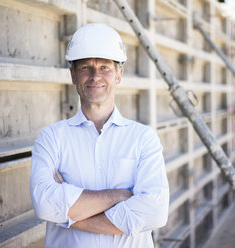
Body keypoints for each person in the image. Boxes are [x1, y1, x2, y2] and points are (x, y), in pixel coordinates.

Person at [30, 23, 169, 248]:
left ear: (118, 75)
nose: (95, 76)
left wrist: (69, 217)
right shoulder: (51, 138)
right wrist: (119, 196)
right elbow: (45, 206)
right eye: (85, 67)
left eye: (105, 67)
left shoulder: (143, 138)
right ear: (73, 75)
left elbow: (154, 212)